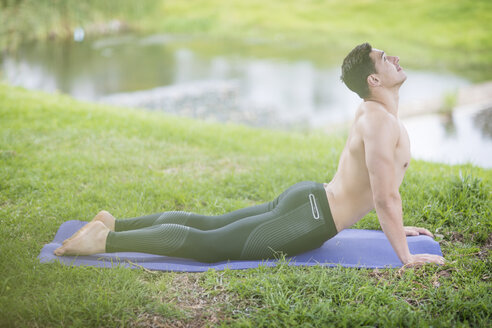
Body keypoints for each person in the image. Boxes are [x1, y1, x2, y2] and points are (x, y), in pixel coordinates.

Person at [54, 42, 445, 266]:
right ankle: (104, 240)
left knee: (209, 224)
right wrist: (406, 256)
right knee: (210, 246)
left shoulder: (374, 113)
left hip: (308, 201)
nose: (394, 58)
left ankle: (116, 223)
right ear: (374, 80)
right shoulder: (381, 122)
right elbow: (383, 194)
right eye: (385, 58)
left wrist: (397, 226)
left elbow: (377, 189)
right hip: (310, 216)